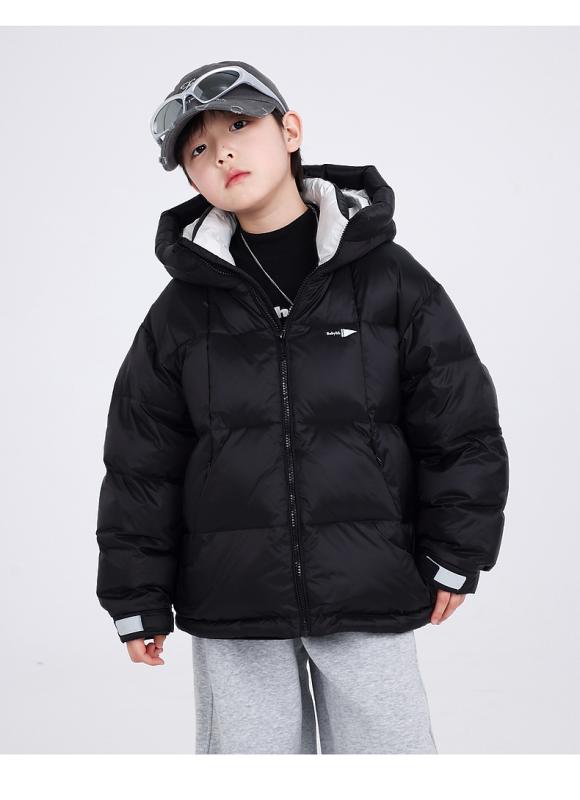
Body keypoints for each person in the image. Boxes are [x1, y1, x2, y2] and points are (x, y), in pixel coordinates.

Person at [95, 60, 510, 754]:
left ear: (289, 131)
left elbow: (459, 422)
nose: (221, 152)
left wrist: (458, 550)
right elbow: (142, 461)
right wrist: (135, 595)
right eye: (197, 149)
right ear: (190, 178)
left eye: (239, 125)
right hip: (233, 595)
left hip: (368, 583)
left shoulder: (390, 281)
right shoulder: (180, 313)